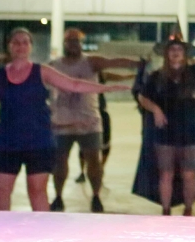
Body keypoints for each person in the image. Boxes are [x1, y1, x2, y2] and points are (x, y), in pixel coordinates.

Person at [0, 28, 126, 212]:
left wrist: (105, 89)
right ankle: (2, 230)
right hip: (7, 143)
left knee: (37, 192)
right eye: (16, 42)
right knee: (1, 193)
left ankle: (43, 229)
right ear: (9, 46)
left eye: (25, 42)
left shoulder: (42, 71)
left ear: (30, 47)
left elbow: (74, 84)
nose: (20, 46)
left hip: (38, 143)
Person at [136, 39, 195, 216]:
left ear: (185, 53)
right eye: (172, 49)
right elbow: (143, 97)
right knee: (166, 173)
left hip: (191, 128)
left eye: (179, 49)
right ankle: (166, 211)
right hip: (165, 130)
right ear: (166, 54)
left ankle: (188, 211)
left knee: (189, 173)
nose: (175, 52)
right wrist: (156, 109)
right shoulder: (157, 76)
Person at [48, 28, 140, 214]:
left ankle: (96, 196)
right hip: (61, 123)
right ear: (64, 43)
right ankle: (58, 197)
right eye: (70, 41)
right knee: (59, 162)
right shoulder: (54, 66)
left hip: (89, 122)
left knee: (94, 162)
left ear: (81, 43)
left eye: (77, 41)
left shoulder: (91, 62)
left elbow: (114, 62)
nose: (73, 44)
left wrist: (138, 63)